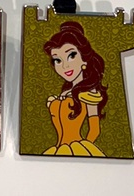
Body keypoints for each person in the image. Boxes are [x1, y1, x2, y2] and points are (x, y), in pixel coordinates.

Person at [43, 22, 107, 156]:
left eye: (71, 56)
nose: (65, 66)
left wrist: (84, 149)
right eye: (57, 60)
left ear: (84, 58)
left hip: (78, 149)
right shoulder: (64, 92)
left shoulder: (88, 93)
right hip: (57, 150)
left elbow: (94, 130)